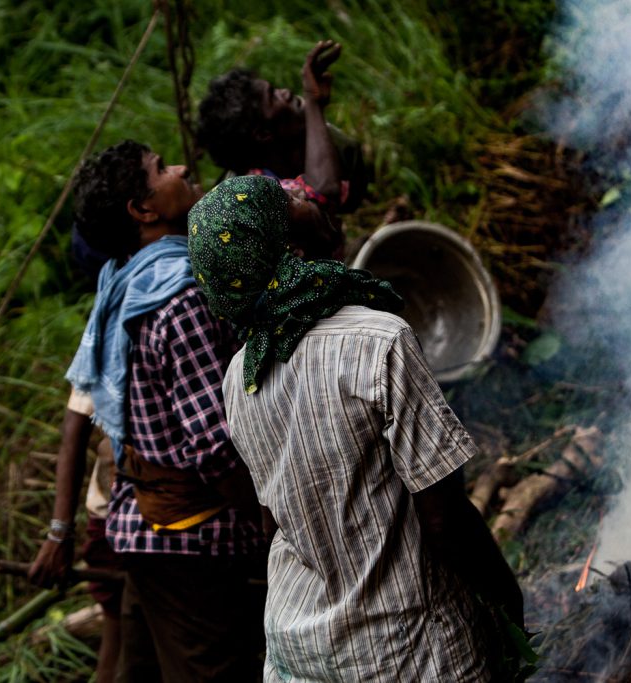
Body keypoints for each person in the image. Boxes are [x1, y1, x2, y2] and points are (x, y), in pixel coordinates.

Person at [187, 174, 528, 681]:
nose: (301, 189)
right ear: (291, 249)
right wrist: (505, 599)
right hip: (404, 649)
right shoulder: (379, 340)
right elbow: (444, 520)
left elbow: (275, 522)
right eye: (289, 198)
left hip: (299, 646)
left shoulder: (240, 377)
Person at [28, 140, 267, 682]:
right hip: (193, 540)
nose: (180, 168)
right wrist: (271, 522)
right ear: (143, 210)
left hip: (142, 528)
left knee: (139, 672)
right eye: (161, 169)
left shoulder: (125, 281)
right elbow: (215, 446)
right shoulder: (180, 297)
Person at [196, 40, 368, 259]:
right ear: (263, 134)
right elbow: (324, 193)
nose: (286, 92)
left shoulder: (333, 145)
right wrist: (313, 103)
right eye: (273, 95)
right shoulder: (251, 200)